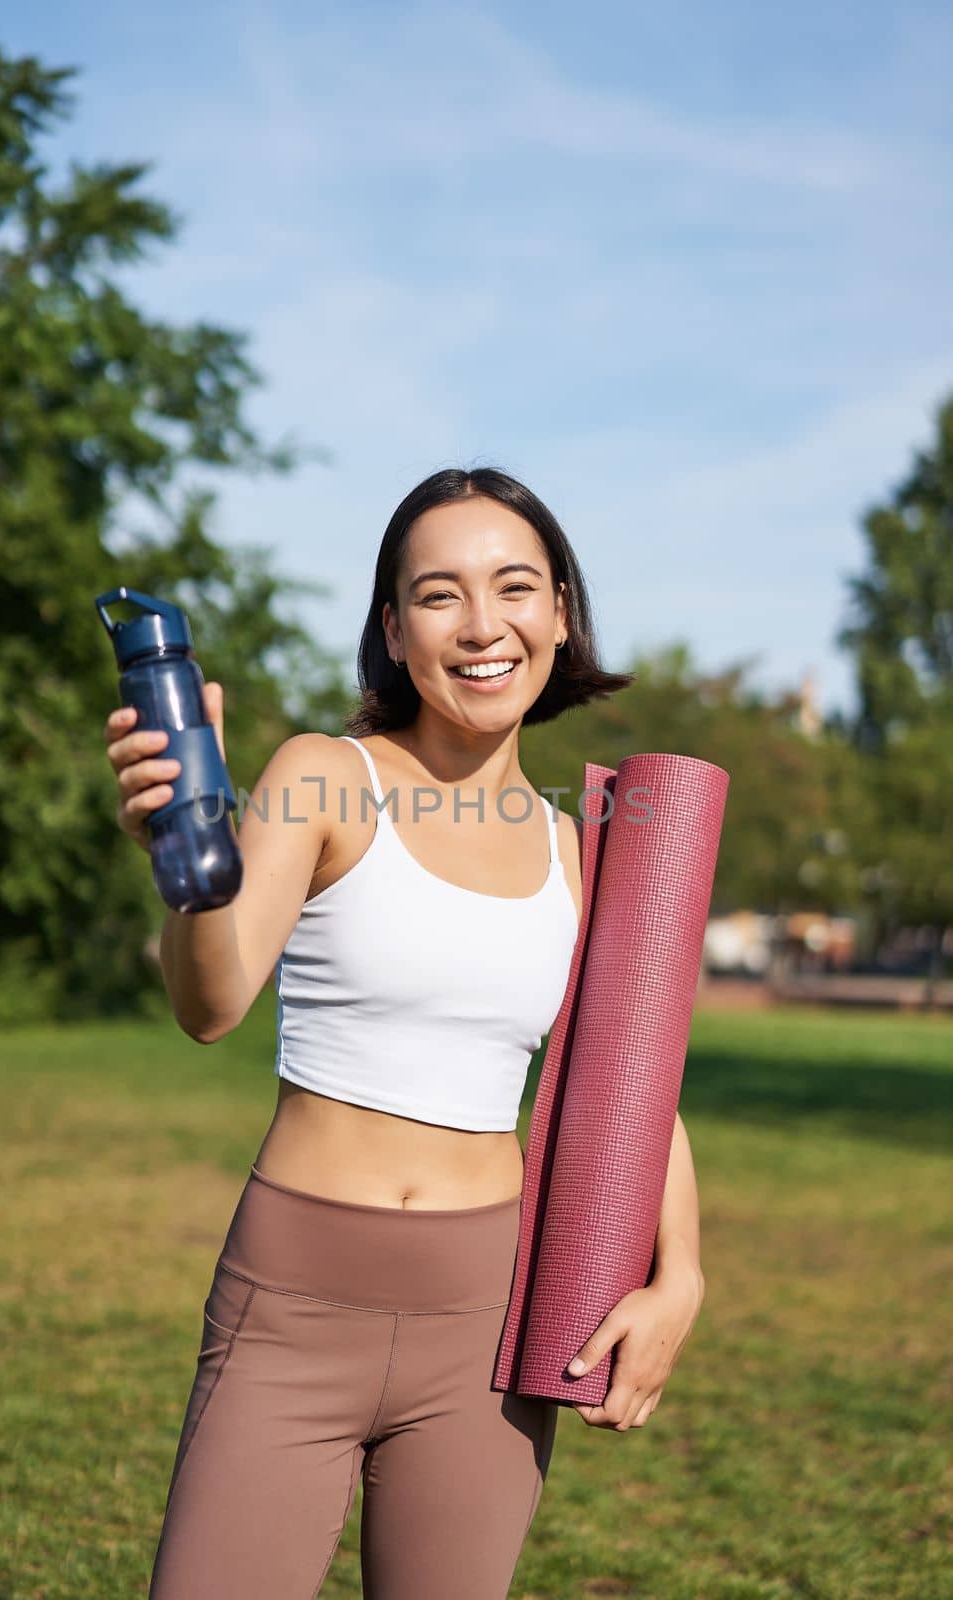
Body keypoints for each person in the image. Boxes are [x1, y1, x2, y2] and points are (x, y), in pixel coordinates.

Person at [103, 466, 706, 1599]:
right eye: (438, 595)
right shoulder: (321, 778)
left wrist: (681, 1275)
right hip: (293, 1303)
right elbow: (211, 1003)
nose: (481, 626)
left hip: (488, 1325)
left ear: (560, 612)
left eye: (514, 587)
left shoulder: (584, 849)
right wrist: (183, 868)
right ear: (391, 629)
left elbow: (632, 1088)